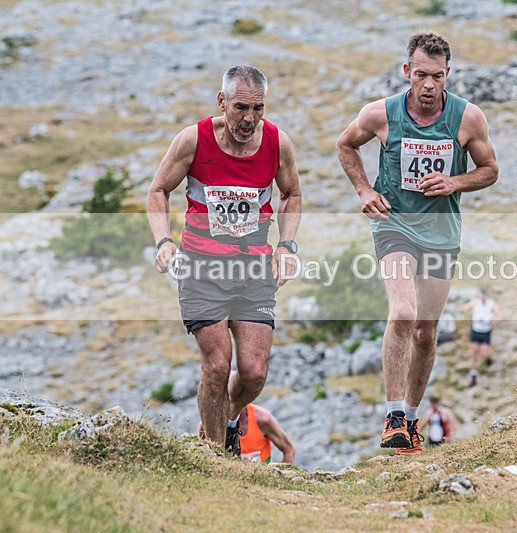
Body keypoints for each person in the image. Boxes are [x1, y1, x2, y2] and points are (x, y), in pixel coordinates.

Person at [336, 32, 499, 455]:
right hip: (395, 227)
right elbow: (345, 145)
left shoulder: (468, 119)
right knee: (404, 312)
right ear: (407, 71)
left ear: (449, 74)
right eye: (421, 75)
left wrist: (455, 182)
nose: (429, 85)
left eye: (438, 76)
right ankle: (392, 415)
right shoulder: (380, 114)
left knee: (427, 333)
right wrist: (364, 191)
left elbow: (490, 169)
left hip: (443, 234)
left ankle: (410, 420)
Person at [147, 65, 302, 456]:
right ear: (222, 102)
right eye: (240, 108)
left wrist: (286, 245)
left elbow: (292, 194)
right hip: (203, 268)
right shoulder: (192, 140)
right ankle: (217, 457)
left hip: (253, 270)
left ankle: (222, 422)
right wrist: (164, 241)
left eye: (258, 108)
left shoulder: (277, 143)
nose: (249, 118)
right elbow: (158, 190)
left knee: (253, 373)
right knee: (218, 365)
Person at [460, 288, 500, 387]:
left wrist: (494, 320)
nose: (482, 298)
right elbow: (467, 307)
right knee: (473, 353)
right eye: (480, 296)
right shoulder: (476, 302)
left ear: (486, 296)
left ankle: (488, 360)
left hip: (485, 331)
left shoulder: (491, 304)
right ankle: (473, 377)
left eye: (483, 296)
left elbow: (499, 314)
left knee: (484, 354)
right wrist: (463, 309)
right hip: (475, 330)